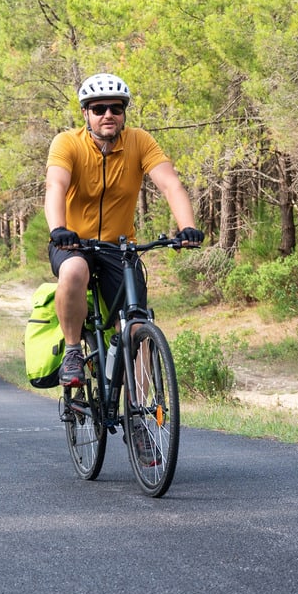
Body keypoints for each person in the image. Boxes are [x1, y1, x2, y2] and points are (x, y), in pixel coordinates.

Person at [45, 72, 203, 387]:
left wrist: (187, 226)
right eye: (99, 108)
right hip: (74, 244)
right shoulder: (67, 143)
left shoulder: (139, 141)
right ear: (85, 114)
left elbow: (170, 184)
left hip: (120, 247)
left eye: (116, 109)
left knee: (137, 327)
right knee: (74, 270)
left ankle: (143, 417)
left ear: (124, 113)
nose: (108, 115)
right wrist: (59, 228)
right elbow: (55, 186)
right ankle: (74, 351)